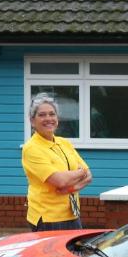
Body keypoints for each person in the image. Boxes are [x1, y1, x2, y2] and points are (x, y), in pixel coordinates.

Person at [22, 93, 93, 231]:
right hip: (48, 218)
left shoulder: (64, 143)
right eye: (42, 115)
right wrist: (79, 173)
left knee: (74, 253)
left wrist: (70, 188)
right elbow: (59, 180)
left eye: (52, 114)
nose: (48, 118)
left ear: (57, 118)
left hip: (72, 214)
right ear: (32, 121)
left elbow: (88, 175)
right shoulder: (31, 148)